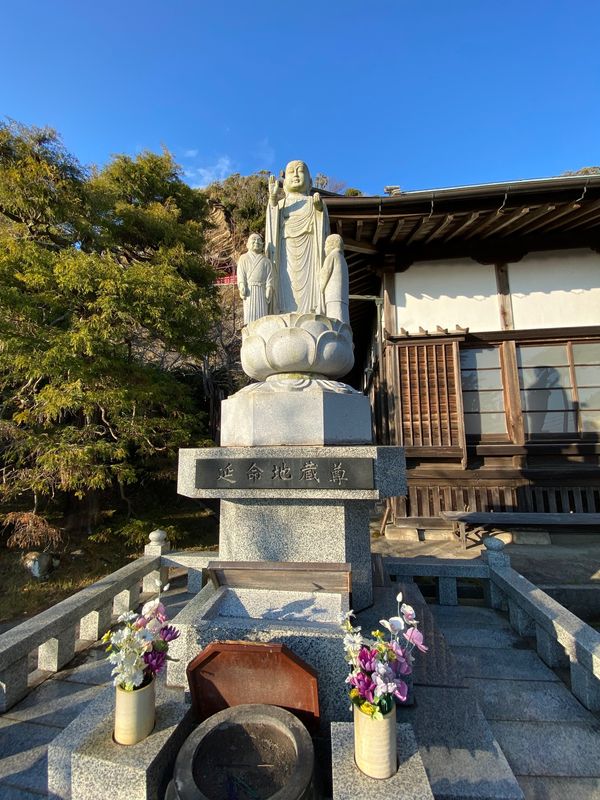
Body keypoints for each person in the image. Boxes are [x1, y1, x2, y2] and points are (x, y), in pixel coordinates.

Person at [265, 160, 329, 315]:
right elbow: (271, 229)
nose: (295, 175)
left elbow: (323, 232)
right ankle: (281, 310)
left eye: (300, 171)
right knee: (284, 282)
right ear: (285, 181)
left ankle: (313, 310)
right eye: (291, 171)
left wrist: (319, 210)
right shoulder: (280, 204)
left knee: (310, 283)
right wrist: (272, 199)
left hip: (310, 250)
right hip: (284, 251)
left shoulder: (313, 202)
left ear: (310, 181)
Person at [236, 233, 273, 324]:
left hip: (261, 291)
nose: (256, 242)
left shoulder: (266, 261)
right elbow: (241, 274)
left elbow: (270, 277)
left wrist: (269, 288)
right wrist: (241, 285)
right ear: (247, 244)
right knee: (250, 316)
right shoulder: (243, 258)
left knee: (262, 318)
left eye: (259, 240)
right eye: (254, 240)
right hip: (249, 290)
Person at [320, 234, 350, 323]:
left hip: (333, 295)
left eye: (326, 244)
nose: (324, 249)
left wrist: (321, 289)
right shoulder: (342, 259)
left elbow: (326, 273)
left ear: (332, 244)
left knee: (333, 320)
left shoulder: (332, 255)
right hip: (343, 298)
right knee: (342, 318)